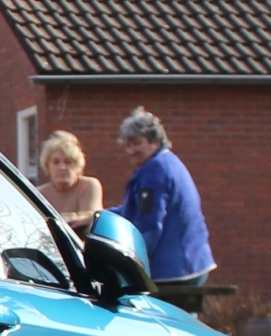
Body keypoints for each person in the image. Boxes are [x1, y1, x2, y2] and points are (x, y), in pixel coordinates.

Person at [111, 108, 215, 315]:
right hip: (192, 263)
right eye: (128, 145)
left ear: (155, 141)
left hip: (176, 270)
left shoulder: (155, 170)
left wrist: (129, 267)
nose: (131, 151)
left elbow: (149, 226)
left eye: (137, 143)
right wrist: (98, 216)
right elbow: (135, 209)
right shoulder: (166, 162)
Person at [33, 130, 103, 232]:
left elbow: (90, 220)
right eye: (56, 162)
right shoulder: (39, 193)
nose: (62, 167)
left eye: (68, 162)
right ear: (47, 166)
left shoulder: (89, 186)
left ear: (78, 166)